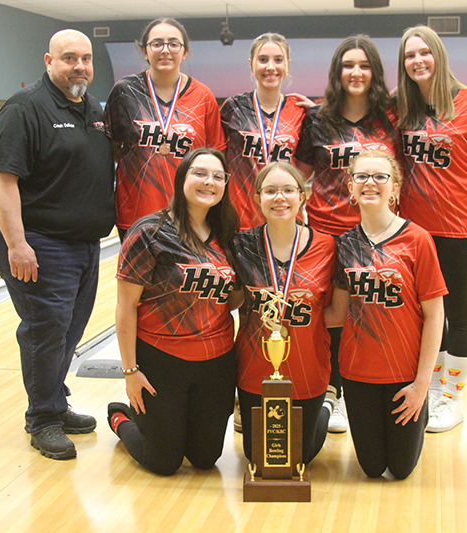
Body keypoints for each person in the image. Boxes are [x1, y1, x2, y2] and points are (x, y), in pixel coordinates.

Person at [0, 29, 116, 460]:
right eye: (68, 58)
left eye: (86, 58)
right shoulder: (24, 109)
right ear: (48, 61)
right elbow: (3, 182)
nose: (79, 66)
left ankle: (55, 405)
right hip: (39, 243)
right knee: (46, 330)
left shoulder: (93, 109)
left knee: (69, 331)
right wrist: (16, 244)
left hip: (83, 244)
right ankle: (42, 419)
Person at [107, 148, 240, 476]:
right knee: (163, 462)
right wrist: (130, 371)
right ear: (182, 178)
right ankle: (121, 418)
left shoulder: (229, 234)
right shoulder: (149, 232)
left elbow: (233, 298)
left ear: (225, 185)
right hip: (161, 359)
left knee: (205, 458)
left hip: (216, 362)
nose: (209, 181)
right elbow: (126, 307)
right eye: (199, 173)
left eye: (217, 176)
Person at [395, 25, 467, 432]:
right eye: (409, 55)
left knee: (458, 313)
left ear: (438, 55)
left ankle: (451, 398)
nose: (418, 61)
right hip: (412, 234)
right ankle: (429, 389)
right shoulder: (400, 108)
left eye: (424, 53)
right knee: (422, 316)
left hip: (459, 230)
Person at [294, 35, 395, 433]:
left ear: (375, 72)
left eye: (364, 65)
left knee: (371, 312)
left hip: (375, 234)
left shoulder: (390, 118)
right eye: (348, 65)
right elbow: (300, 173)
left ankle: (367, 389)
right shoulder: (318, 119)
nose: (356, 73)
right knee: (331, 315)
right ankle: (331, 392)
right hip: (326, 232)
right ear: (337, 73)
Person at [325, 150, 446, 479]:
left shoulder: (418, 240)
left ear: (395, 188)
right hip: (357, 373)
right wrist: (282, 316)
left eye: (380, 177)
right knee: (373, 468)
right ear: (351, 188)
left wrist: (422, 385)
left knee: (402, 469)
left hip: (405, 375)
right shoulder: (345, 245)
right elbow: (336, 314)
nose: (370, 183)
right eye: (361, 176)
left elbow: (435, 316)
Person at [232, 162, 336, 465]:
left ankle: (326, 405)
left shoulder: (327, 246)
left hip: (308, 369)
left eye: (288, 190)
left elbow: (335, 314)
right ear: (258, 198)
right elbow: (232, 302)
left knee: (300, 458)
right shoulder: (241, 245)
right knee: (260, 458)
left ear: (302, 196)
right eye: (271, 191)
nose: (280, 198)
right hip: (255, 369)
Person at [104, 17, 225, 242]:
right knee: (135, 279)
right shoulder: (125, 92)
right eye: (157, 43)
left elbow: (216, 155)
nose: (165, 50)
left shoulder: (203, 96)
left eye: (173, 44)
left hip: (190, 215)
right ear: (144, 50)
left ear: (185, 51)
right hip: (136, 214)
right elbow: (111, 147)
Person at [221, 33, 306, 230]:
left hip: (287, 221)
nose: (270, 67)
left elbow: (304, 170)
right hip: (240, 221)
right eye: (262, 60)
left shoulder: (299, 111)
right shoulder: (233, 108)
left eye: (278, 60)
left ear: (287, 64)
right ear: (251, 64)